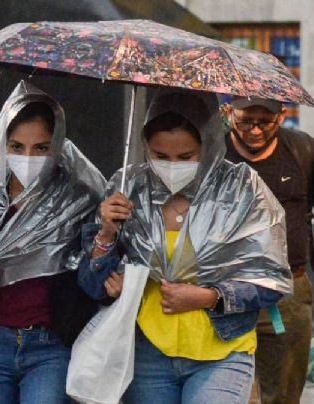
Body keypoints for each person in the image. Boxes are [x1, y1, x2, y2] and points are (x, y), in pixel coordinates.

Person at [78, 91, 292, 404]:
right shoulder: (127, 188)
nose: (172, 166)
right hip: (148, 351)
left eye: (186, 157)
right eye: (160, 156)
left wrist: (208, 297)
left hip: (222, 350)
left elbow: (272, 280)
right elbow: (91, 285)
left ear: (209, 146)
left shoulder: (243, 189)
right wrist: (107, 236)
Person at [0, 82, 104, 404]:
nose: (27, 157)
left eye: (41, 148)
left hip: (51, 346)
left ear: (58, 147)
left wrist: (106, 235)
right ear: (2, 145)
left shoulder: (79, 199)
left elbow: (93, 275)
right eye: (17, 146)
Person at [221, 97, 314, 404]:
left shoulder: (304, 151)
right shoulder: (212, 152)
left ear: (282, 116)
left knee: (284, 394)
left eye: (265, 122)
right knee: (231, 393)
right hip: (224, 292)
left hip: (286, 291)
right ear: (228, 113)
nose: (255, 131)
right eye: (246, 120)